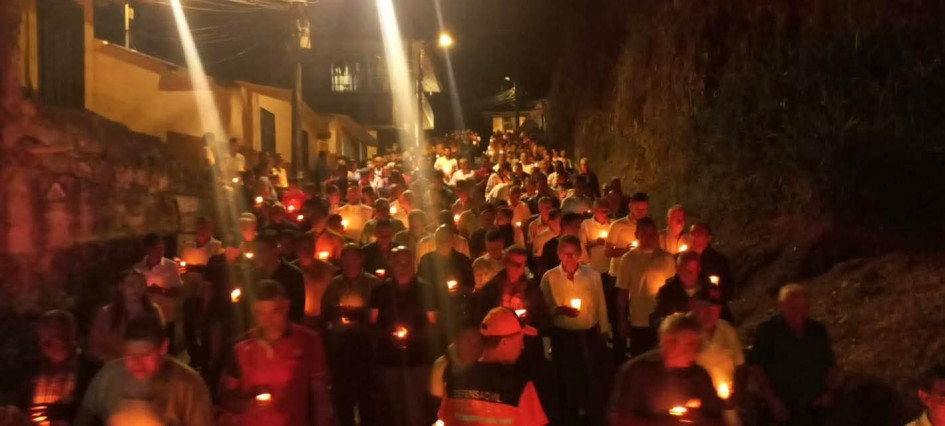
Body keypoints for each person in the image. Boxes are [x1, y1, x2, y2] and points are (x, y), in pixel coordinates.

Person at [219, 280, 333, 426]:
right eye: (262, 314)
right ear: (254, 311)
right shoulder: (240, 347)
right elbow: (226, 399)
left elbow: (320, 394)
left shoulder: (308, 341)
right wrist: (247, 404)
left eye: (275, 312)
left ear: (286, 306)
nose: (268, 321)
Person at [76, 315, 213, 426]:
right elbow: (84, 417)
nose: (137, 363)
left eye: (146, 354)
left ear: (163, 348)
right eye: (130, 354)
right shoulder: (108, 376)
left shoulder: (189, 385)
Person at [540, 235, 611, 425]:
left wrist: (604, 328)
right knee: (566, 376)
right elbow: (543, 309)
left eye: (572, 254)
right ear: (558, 254)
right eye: (564, 254)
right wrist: (559, 310)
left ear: (580, 254)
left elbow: (600, 303)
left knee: (590, 374)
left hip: (588, 334)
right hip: (563, 336)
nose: (569, 258)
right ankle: (568, 413)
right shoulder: (550, 277)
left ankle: (591, 412)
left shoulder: (592, 275)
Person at [437, 308, 549, 425]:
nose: (522, 346)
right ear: (504, 342)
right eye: (520, 340)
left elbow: (447, 421)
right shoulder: (520, 386)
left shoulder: (454, 381)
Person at [609, 313, 725, 425]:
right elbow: (619, 419)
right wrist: (665, 422)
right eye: (690, 344)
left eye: (697, 345)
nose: (694, 353)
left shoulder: (699, 376)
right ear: (668, 341)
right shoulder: (639, 372)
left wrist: (699, 419)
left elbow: (719, 420)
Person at [369, 247, 440, 426]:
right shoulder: (381, 291)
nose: (404, 266)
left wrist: (414, 336)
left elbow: (436, 324)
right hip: (389, 360)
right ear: (390, 264)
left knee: (415, 409)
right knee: (392, 409)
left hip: (418, 361)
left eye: (407, 261)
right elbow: (371, 323)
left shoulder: (425, 289)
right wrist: (388, 335)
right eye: (399, 262)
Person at [749, 284, 837, 426]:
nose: (799, 314)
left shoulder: (817, 330)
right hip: (783, 404)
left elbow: (830, 363)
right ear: (782, 306)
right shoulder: (769, 331)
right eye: (793, 308)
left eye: (803, 308)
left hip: (815, 403)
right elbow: (757, 367)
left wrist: (828, 392)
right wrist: (773, 401)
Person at [320, 244, 381, 426]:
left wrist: (360, 316)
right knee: (342, 392)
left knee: (366, 392)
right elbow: (325, 312)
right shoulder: (334, 284)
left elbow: (379, 315)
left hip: (366, 344)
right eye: (345, 260)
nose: (349, 263)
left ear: (361, 260)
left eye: (353, 259)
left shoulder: (374, 284)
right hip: (340, 345)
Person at [17, 311, 100, 425]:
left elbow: (98, 411)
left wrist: (65, 413)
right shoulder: (32, 369)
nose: (46, 344)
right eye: (43, 338)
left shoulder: (91, 371)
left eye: (53, 337)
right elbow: (21, 404)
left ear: (71, 336)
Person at [692, 286, 744, 426]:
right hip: (697, 404)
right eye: (705, 306)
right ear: (693, 305)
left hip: (726, 402)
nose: (710, 312)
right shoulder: (684, 330)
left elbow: (740, 365)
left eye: (715, 308)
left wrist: (735, 393)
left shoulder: (726, 330)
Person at [88, 270, 164, 363]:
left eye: (141, 284)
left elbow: (159, 341)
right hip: (115, 367)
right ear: (121, 286)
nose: (137, 288)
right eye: (131, 284)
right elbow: (96, 344)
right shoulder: (107, 313)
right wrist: (116, 360)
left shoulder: (153, 311)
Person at [419, 226, 475, 334]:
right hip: (435, 309)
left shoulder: (462, 260)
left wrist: (460, 289)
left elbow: (471, 285)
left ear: (452, 240)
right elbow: (420, 285)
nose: (441, 243)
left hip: (457, 310)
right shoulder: (426, 260)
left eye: (444, 240)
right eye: (439, 240)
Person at [135, 233, 183, 351]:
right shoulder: (138, 268)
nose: (160, 252)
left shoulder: (171, 266)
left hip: (166, 317)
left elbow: (178, 291)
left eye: (162, 248)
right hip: (146, 318)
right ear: (147, 249)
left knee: (167, 351)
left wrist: (161, 290)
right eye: (156, 249)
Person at [252, 232, 306, 324]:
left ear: (274, 250)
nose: (257, 256)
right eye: (255, 251)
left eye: (261, 251)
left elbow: (297, 310)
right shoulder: (251, 276)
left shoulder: (293, 275)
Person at [650, 251, 712, 328]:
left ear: (699, 269)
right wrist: (672, 320)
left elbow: (723, 317)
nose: (688, 275)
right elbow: (656, 320)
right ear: (677, 269)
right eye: (684, 271)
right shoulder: (667, 292)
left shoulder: (710, 291)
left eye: (692, 271)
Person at [428, 322, 483, 400]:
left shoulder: (486, 365)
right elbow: (436, 405)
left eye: (478, 342)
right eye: (468, 340)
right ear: (456, 341)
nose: (475, 348)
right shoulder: (443, 367)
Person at [295, 235, 338, 328]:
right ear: (297, 249)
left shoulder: (328, 269)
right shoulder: (291, 270)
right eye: (304, 248)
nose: (308, 251)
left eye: (311, 248)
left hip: (322, 320)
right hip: (299, 320)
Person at [605, 192, 650, 279]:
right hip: (619, 274)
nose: (641, 212)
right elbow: (607, 252)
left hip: (640, 274)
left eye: (644, 209)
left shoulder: (648, 226)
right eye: (637, 209)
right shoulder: (617, 225)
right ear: (630, 207)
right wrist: (625, 251)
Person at [690, 222, 737, 302]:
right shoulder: (681, 259)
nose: (694, 237)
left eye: (699, 234)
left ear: (708, 238)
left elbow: (729, 288)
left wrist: (717, 292)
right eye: (692, 233)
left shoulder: (719, 260)